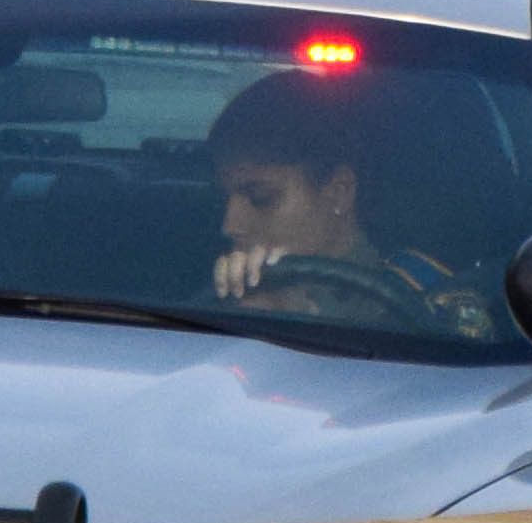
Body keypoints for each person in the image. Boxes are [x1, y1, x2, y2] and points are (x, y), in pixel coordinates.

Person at [205, 69, 498, 339]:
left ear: (338, 192)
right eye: (223, 200)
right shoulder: (198, 298)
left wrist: (299, 321)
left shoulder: (429, 301)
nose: (230, 225)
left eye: (261, 198)